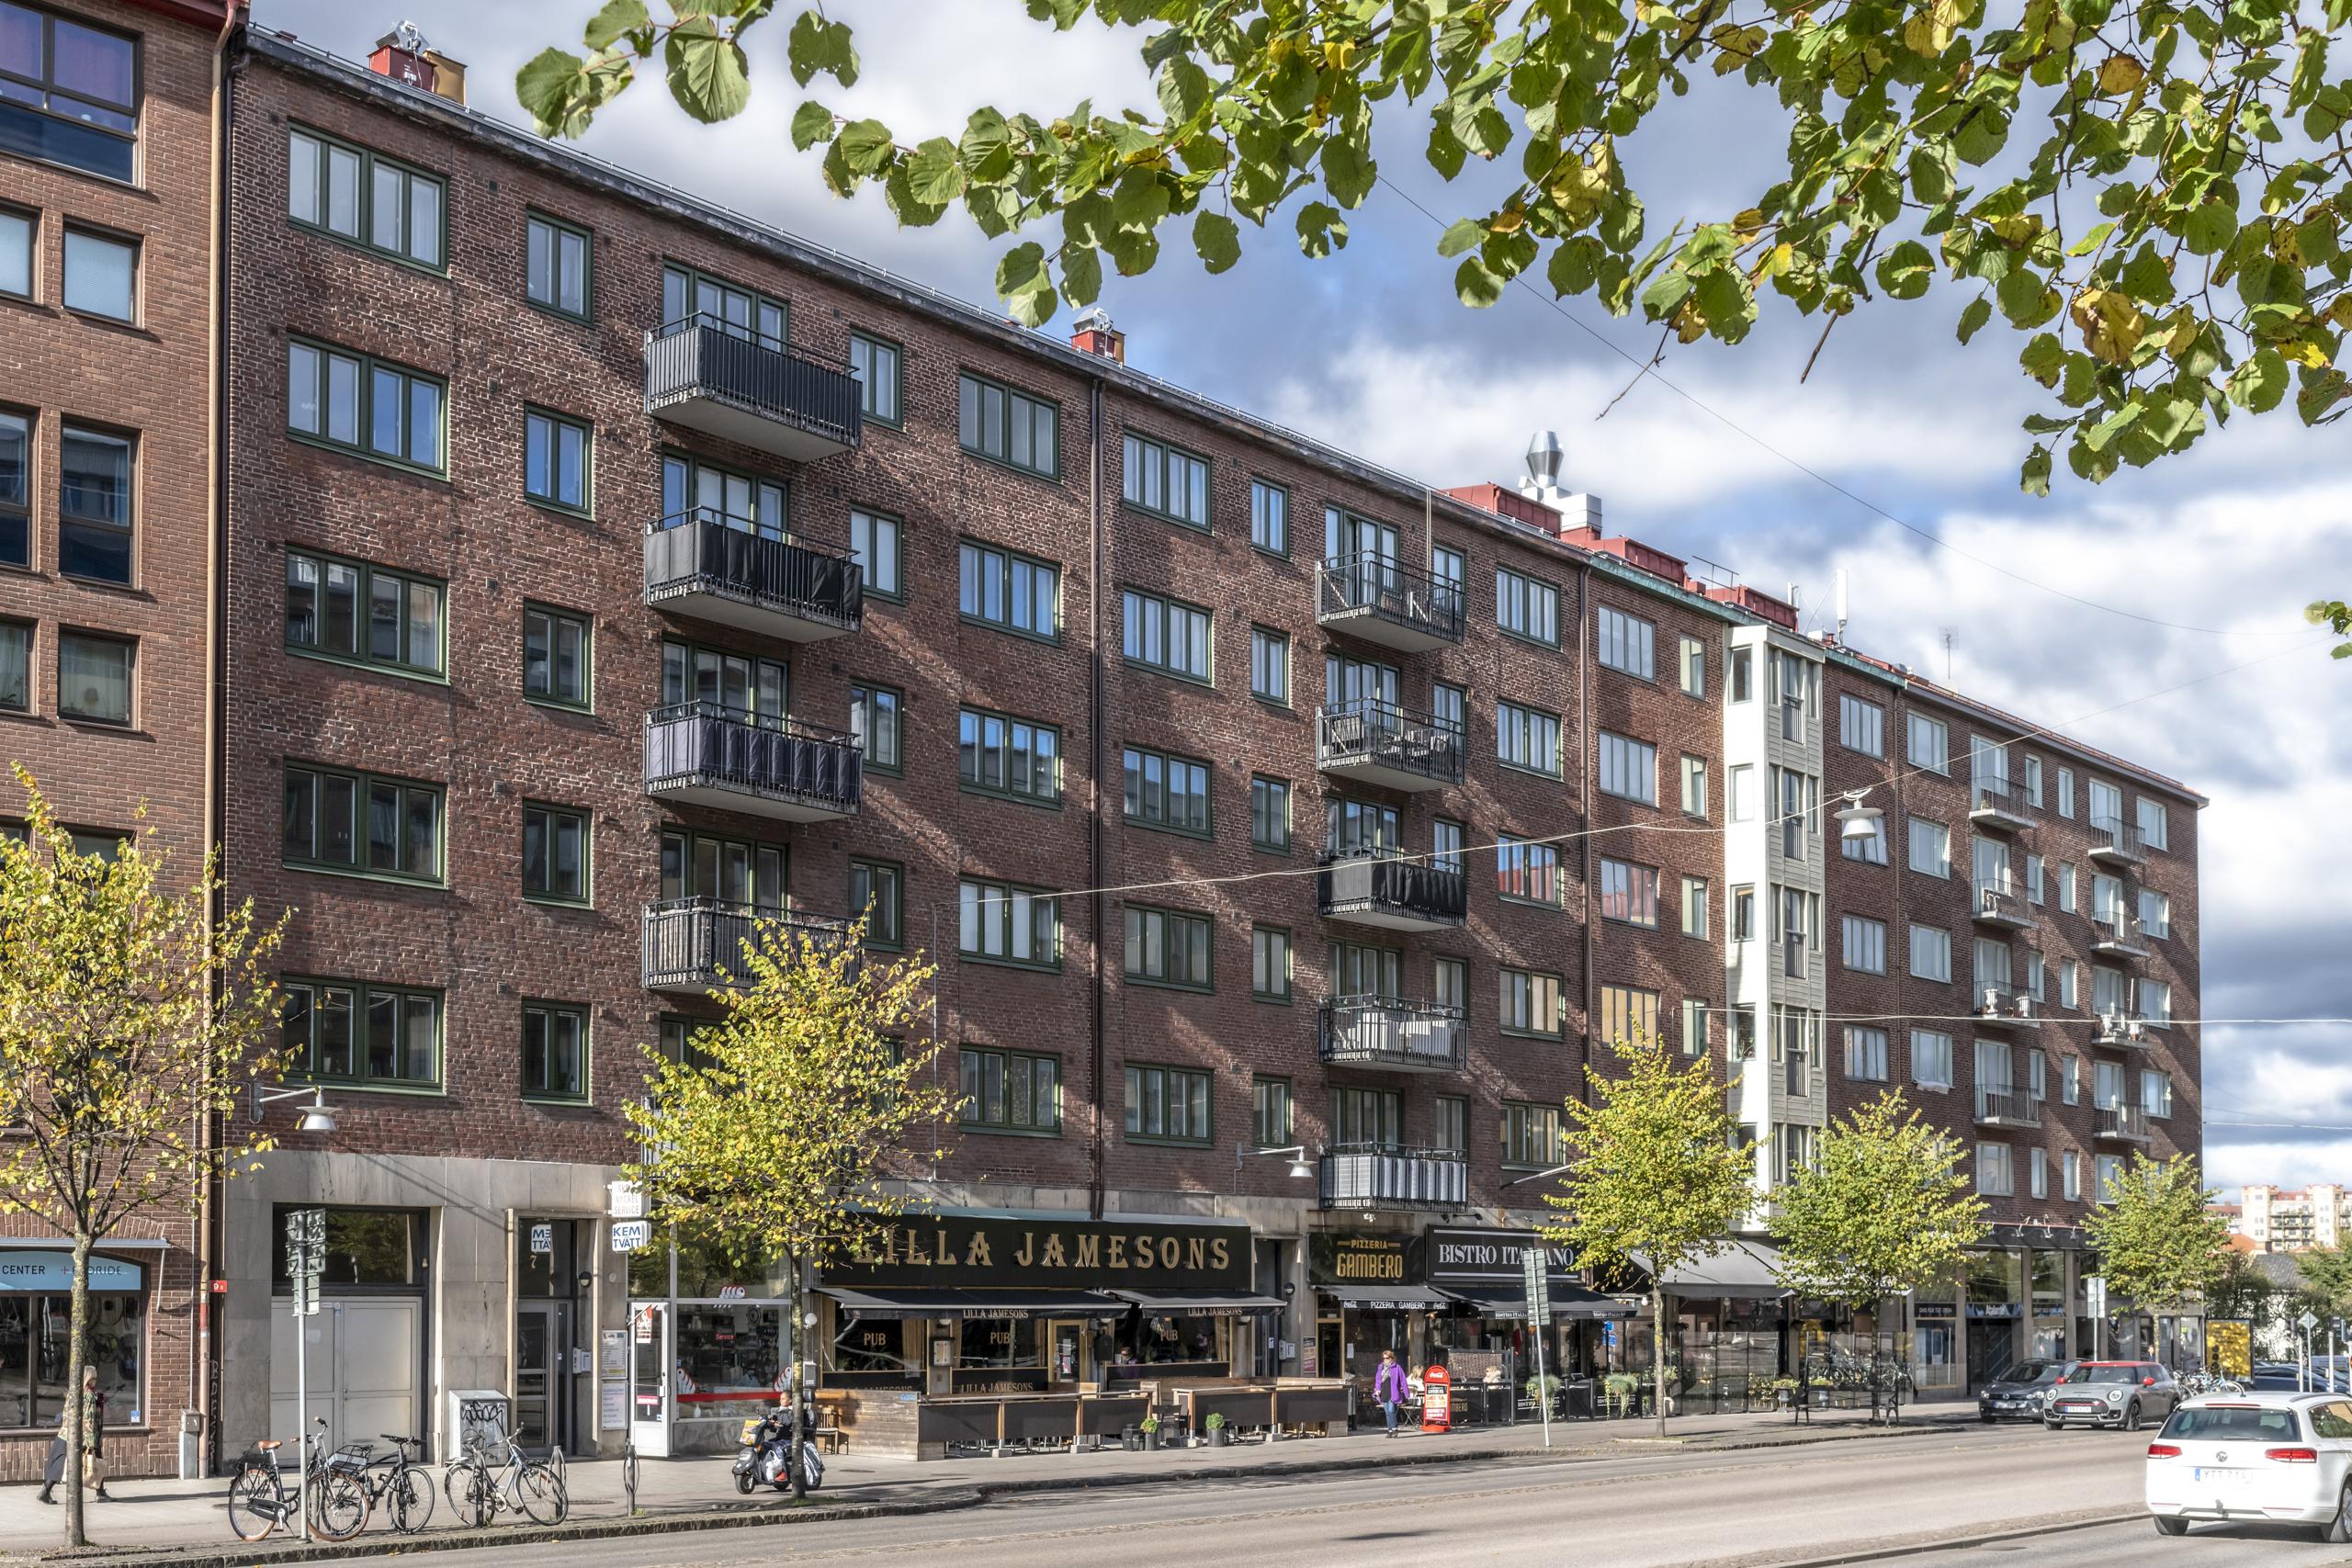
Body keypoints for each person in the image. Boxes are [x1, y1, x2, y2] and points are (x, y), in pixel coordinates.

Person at [38, 1367, 107, 1505]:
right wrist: (91, 1441)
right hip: (82, 1435)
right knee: (96, 1460)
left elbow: (66, 1414)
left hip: (66, 1433)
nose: (95, 1381)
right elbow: (88, 1419)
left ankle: (45, 1491)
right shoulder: (88, 1395)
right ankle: (100, 1493)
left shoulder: (73, 1392)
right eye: (93, 1378)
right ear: (88, 1379)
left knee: (59, 1461)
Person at [1374, 1348, 1409, 1438]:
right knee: (1387, 1412)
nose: (1385, 1360)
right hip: (1384, 1392)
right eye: (1384, 1358)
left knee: (1391, 1410)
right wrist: (1377, 1390)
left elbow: (1403, 1381)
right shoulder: (1380, 1367)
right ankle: (1389, 1431)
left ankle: (1395, 1429)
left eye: (1387, 1358)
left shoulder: (1397, 1367)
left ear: (1392, 1358)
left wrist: (1407, 1394)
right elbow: (1378, 1380)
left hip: (1393, 1392)